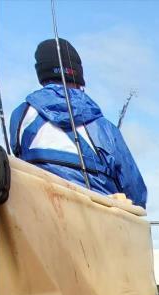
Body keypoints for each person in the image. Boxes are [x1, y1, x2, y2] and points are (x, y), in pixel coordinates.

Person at [9, 39, 147, 208]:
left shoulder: (21, 116)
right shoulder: (103, 127)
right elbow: (136, 193)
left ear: (41, 74)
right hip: (101, 226)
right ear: (79, 76)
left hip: (41, 219)